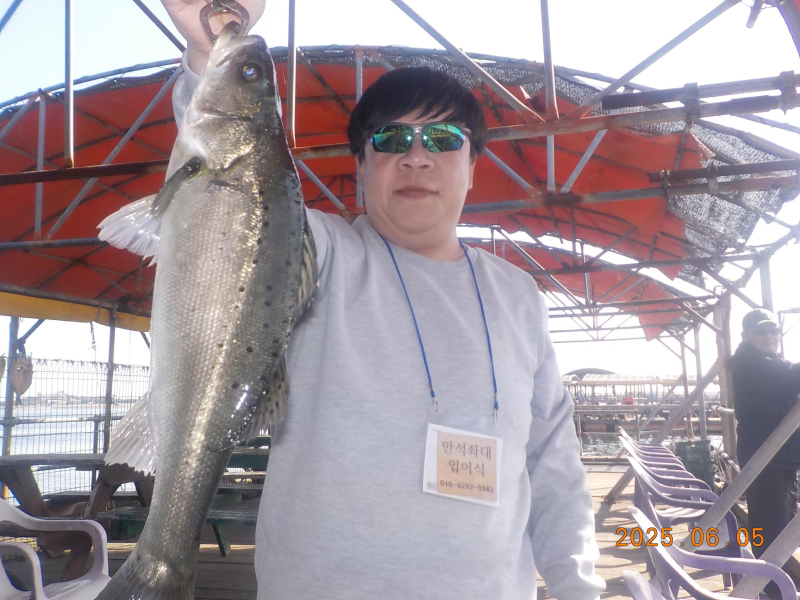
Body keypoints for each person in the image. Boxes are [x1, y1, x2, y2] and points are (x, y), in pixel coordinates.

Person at [160, 2, 604, 599]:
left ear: (473, 166)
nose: (416, 156)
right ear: (362, 165)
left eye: (443, 139)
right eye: (391, 138)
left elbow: (553, 462)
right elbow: (233, 190)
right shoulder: (316, 251)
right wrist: (207, 51)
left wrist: (579, 587)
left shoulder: (519, 294)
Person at [728, 309, 800, 586]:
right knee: (772, 531)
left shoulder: (769, 362)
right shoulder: (748, 363)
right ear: (746, 335)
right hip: (764, 460)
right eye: (760, 330)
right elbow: (791, 377)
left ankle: (773, 586)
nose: (769, 335)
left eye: (773, 330)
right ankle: (770, 589)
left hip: (781, 459)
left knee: (780, 524)